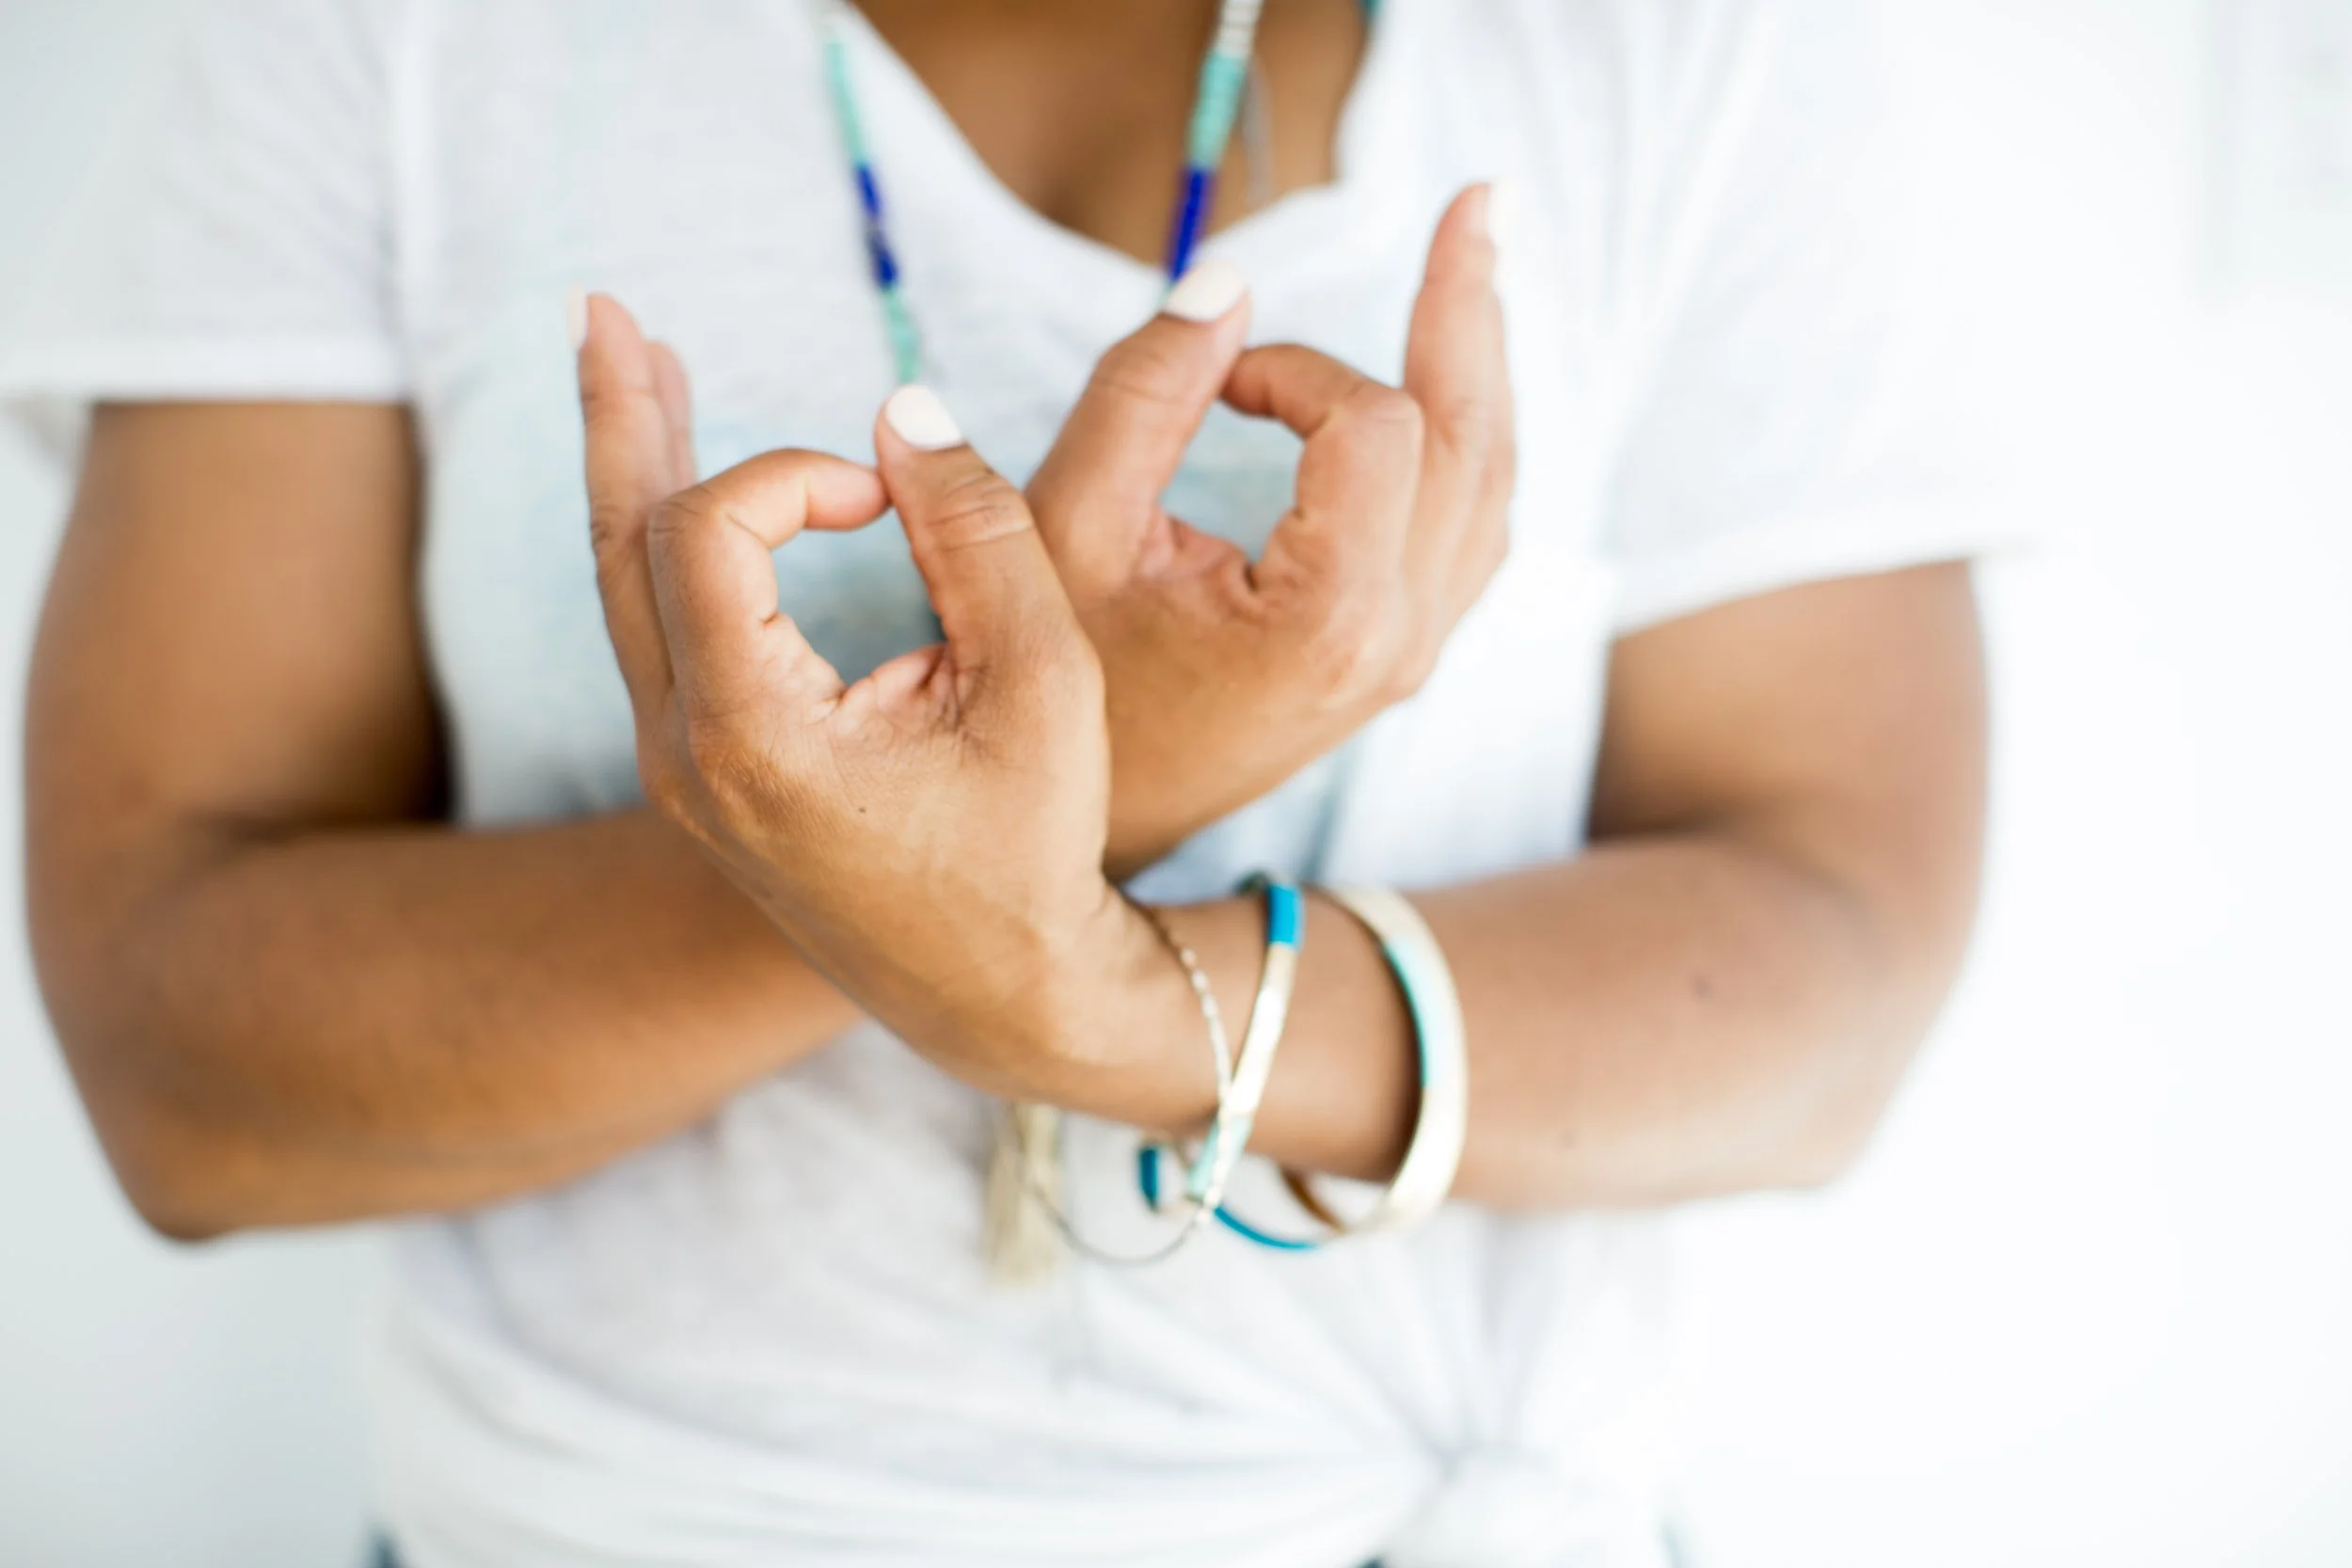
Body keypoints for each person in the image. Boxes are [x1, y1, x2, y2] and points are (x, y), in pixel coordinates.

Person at [4, 0, 1994, 1562]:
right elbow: (184, 1076)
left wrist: (1101, 996)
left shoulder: (1682, 42)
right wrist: (1080, 780)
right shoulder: (379, 35)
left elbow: (1823, 981)